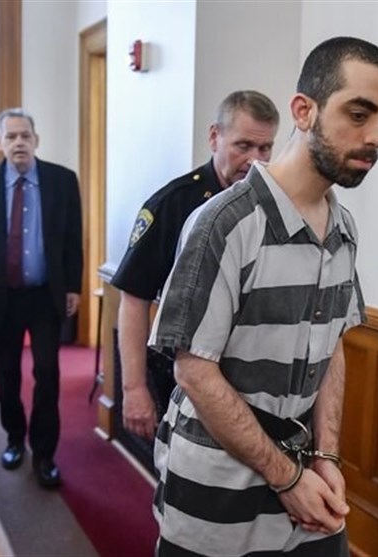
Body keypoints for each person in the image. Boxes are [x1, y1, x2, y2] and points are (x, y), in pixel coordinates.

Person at [148, 36, 378, 556]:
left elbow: (331, 346)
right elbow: (193, 371)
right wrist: (287, 478)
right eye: (358, 114)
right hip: (217, 490)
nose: (375, 136)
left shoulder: (343, 228)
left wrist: (326, 456)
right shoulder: (224, 221)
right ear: (304, 111)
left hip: (304, 476)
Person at [112, 90, 279, 441]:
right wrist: (133, 388)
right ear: (214, 137)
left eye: (265, 148)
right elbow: (134, 299)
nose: (255, 160)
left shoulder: (272, 206)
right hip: (181, 376)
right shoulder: (173, 204)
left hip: (250, 381)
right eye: (243, 146)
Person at [0, 108, 83, 489]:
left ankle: (44, 453)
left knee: (48, 372)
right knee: (7, 372)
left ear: (36, 140)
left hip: (45, 296)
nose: (19, 143)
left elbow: (72, 240)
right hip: (0, 297)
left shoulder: (62, 181)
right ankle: (14, 438)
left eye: (25, 135)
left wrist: (73, 287)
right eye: (10, 136)